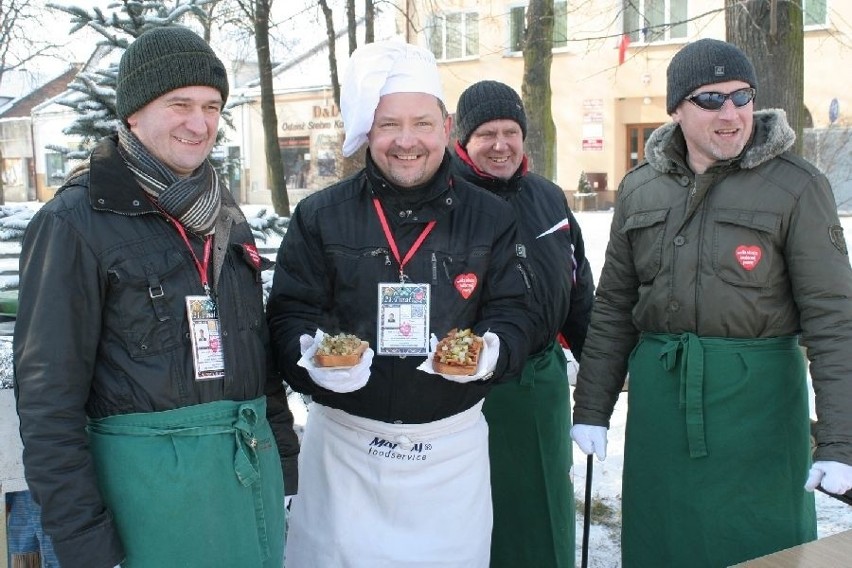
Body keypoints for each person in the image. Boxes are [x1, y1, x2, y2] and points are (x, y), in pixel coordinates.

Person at [13, 26, 299, 568]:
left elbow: (256, 356)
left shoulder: (225, 217)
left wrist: (284, 469)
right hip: (143, 503)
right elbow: (48, 400)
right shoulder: (75, 223)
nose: (200, 123)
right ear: (134, 113)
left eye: (212, 106)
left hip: (243, 487)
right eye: (180, 104)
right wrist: (85, 543)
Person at [570, 38, 852, 567]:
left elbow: (835, 322)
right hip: (660, 409)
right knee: (664, 547)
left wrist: (842, 442)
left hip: (759, 413)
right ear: (676, 108)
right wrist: (591, 410)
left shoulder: (797, 187)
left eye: (742, 96)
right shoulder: (640, 189)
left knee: (759, 548)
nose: (731, 113)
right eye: (710, 99)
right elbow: (612, 308)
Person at [266, 40, 530, 567]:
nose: (406, 141)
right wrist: (311, 360)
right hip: (344, 456)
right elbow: (287, 316)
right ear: (367, 130)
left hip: (450, 460)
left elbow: (517, 312)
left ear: (446, 126)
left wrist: (495, 350)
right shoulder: (321, 216)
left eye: (422, 123)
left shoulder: (491, 217)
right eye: (388, 124)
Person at [451, 80, 594, 568]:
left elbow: (577, 290)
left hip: (539, 379)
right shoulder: (444, 199)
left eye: (510, 131)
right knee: (477, 512)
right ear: (463, 141)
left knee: (544, 503)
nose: (500, 144)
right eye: (486, 133)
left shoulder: (548, 197)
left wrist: (597, 372)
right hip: (468, 385)